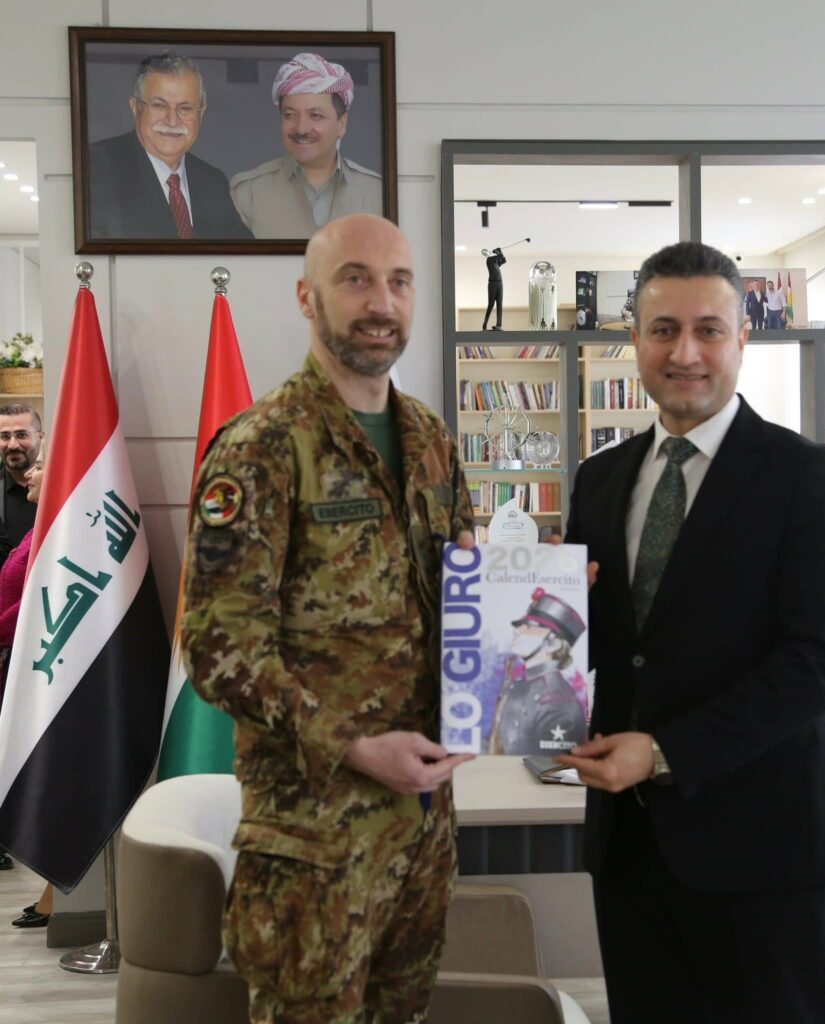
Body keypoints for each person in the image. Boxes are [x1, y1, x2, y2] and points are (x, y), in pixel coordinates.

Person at [557, 240, 825, 1024]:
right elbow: (589, 640)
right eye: (663, 330)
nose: (684, 353)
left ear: (742, 339)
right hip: (629, 851)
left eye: (708, 330)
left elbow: (816, 665)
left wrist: (664, 751)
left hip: (763, 853)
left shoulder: (807, 477)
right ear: (634, 338)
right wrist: (505, 606)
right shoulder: (599, 479)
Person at [181, 213, 475, 1023]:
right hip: (313, 845)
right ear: (307, 297)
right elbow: (216, 647)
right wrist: (352, 745)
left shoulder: (430, 439)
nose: (381, 302)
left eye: (398, 281)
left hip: (422, 827)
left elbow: (464, 597)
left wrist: (539, 614)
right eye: (355, 279)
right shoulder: (263, 446)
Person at [88, 52, 252, 240]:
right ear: (135, 107)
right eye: (159, 105)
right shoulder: (95, 168)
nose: (172, 121)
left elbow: (242, 253)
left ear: (201, 114)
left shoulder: (212, 182)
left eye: (185, 108)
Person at [230, 53, 383, 239]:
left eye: (315, 115)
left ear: (341, 124)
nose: (301, 128)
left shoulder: (376, 191)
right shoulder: (247, 192)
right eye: (290, 115)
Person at [0, 461, 53, 921]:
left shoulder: (52, 529)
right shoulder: (33, 527)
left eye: (39, 465)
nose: (29, 474)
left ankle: (56, 894)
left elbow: (36, 601)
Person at [487, 587, 588, 755]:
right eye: (521, 626)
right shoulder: (517, 686)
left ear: (554, 643)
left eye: (530, 627)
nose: (518, 631)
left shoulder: (558, 700)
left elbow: (554, 766)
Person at [0, 404, 43, 569]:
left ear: (40, 437)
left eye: (22, 435)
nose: (12, 445)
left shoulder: (62, 490)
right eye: (4, 436)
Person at [482, 246, 506, 330]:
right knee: (491, 304)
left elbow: (504, 260)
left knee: (499, 304)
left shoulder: (495, 263)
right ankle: (485, 323)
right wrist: (498, 251)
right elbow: (500, 256)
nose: (486, 253)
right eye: (484, 252)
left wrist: (499, 251)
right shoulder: (489, 260)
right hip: (492, 284)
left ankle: (499, 325)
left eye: (486, 251)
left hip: (500, 283)